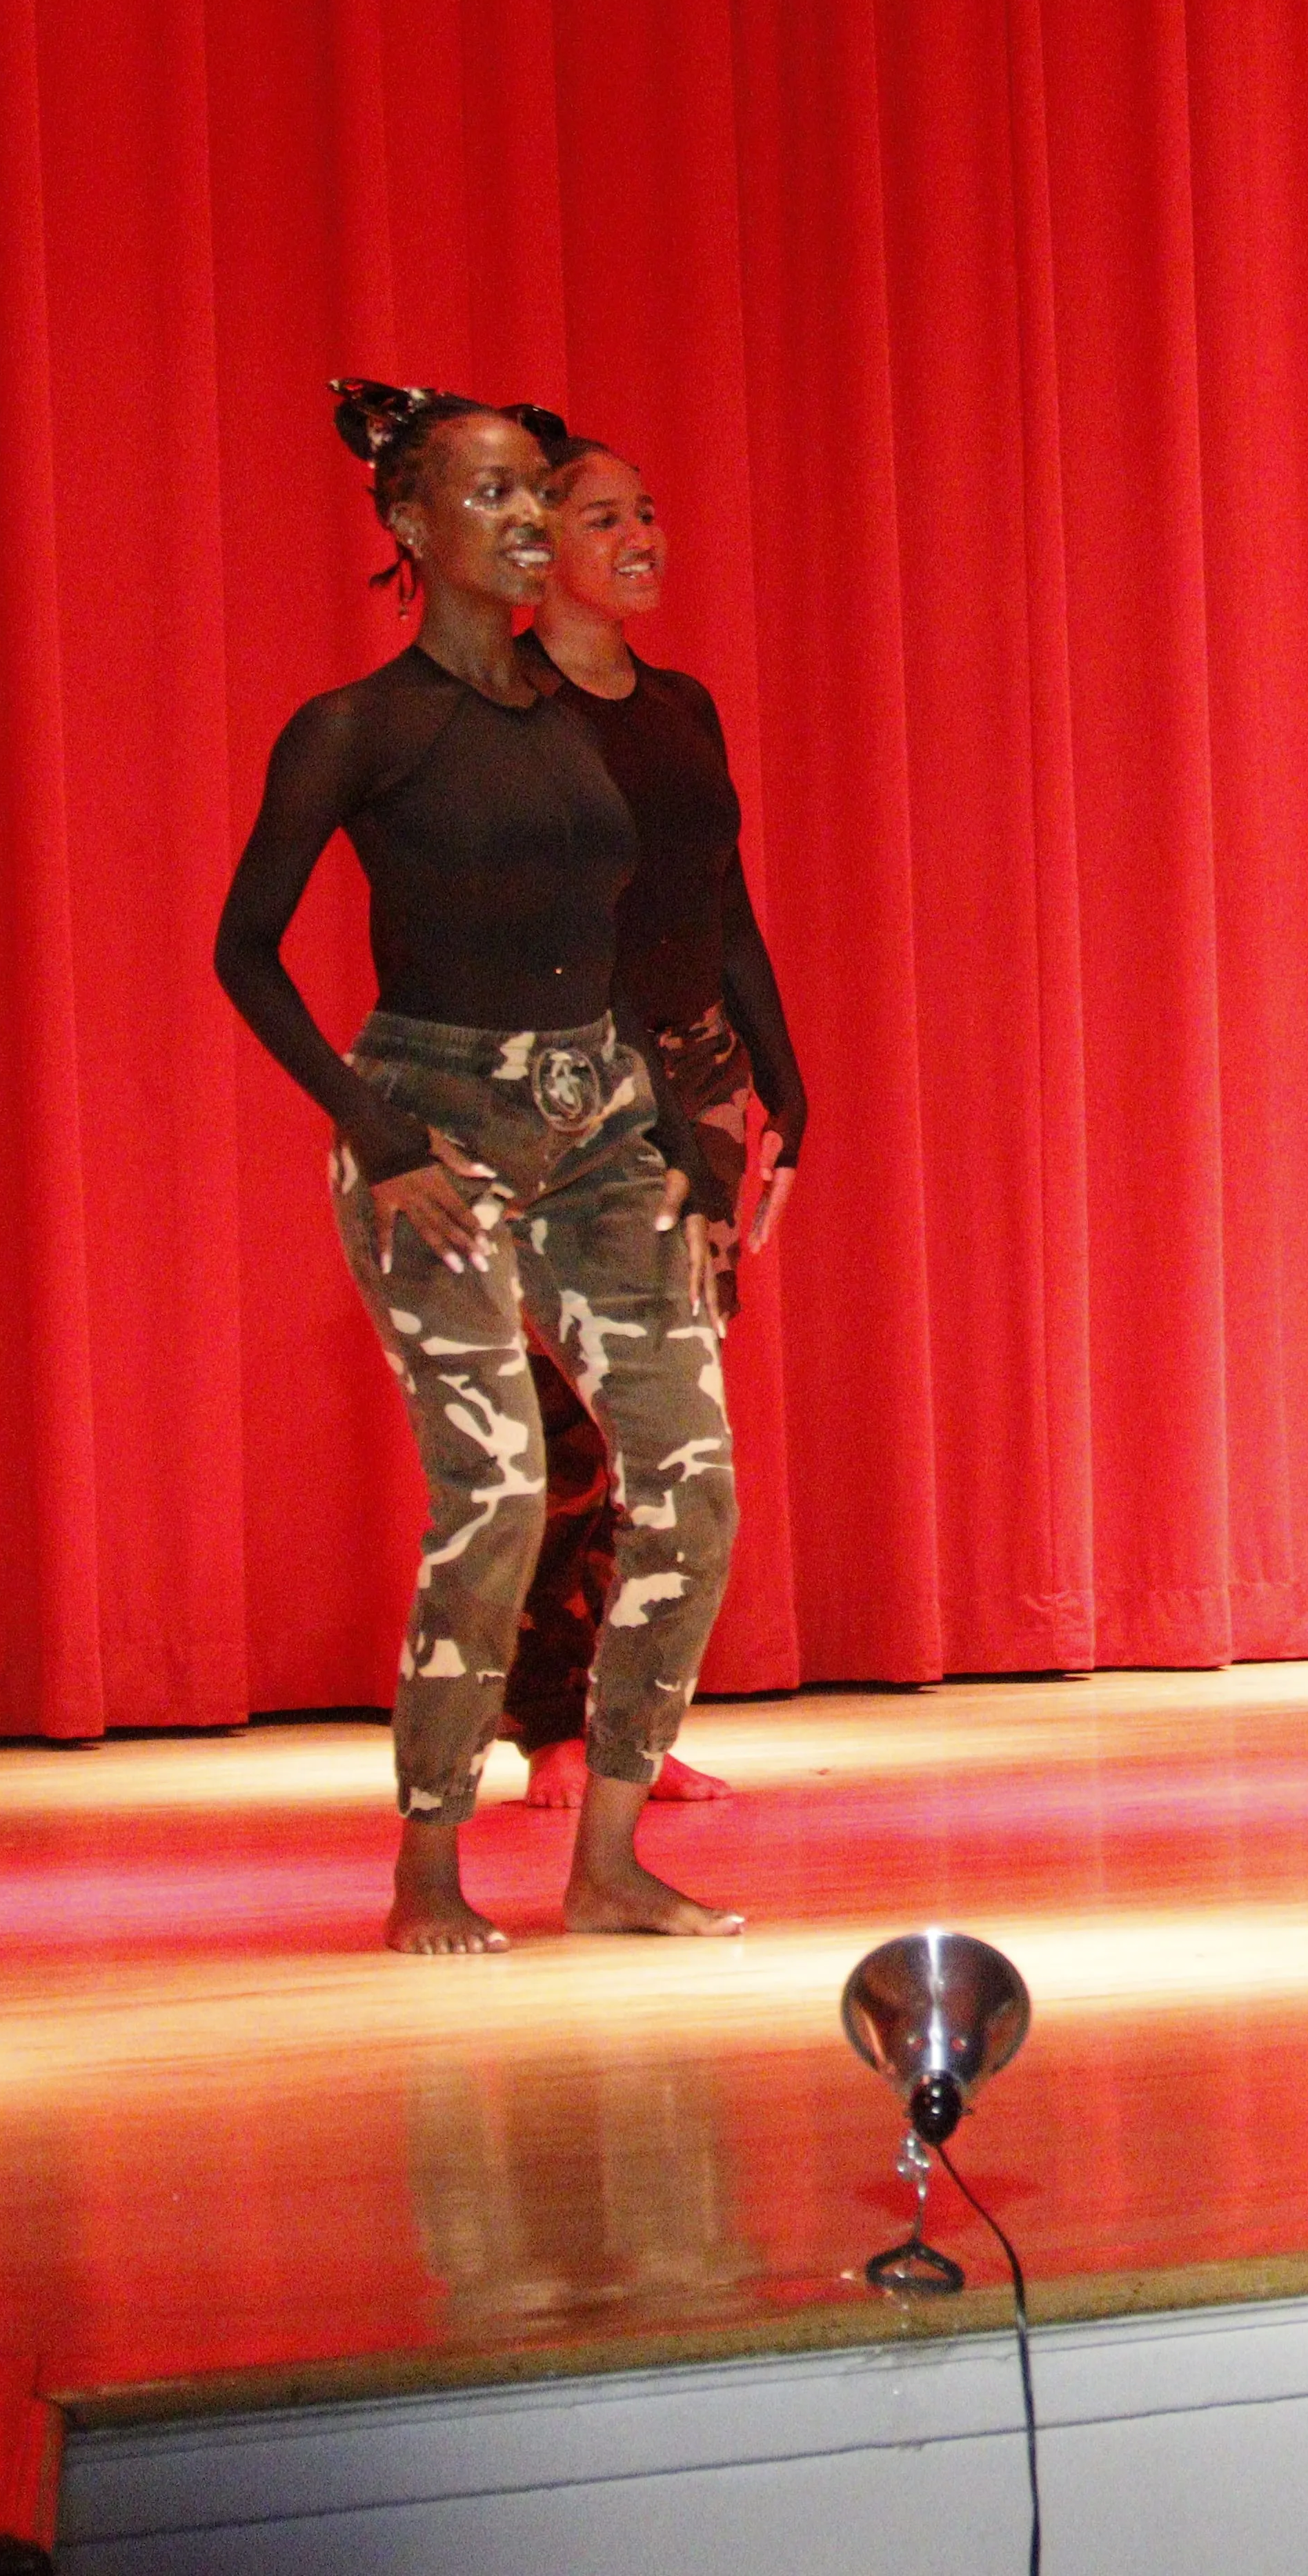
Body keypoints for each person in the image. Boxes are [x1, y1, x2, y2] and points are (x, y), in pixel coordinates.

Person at [212, 381, 740, 1952]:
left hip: (606, 1124)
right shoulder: (359, 728)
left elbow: (637, 930)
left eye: (537, 495)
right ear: (409, 524)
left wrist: (683, 1128)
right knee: (498, 1491)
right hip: (434, 1129)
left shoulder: (570, 715)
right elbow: (244, 952)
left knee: (693, 1485)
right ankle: (428, 1864)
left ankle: (611, 1859)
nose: (527, 520)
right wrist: (373, 1133)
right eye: (494, 495)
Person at [504, 435, 809, 1809]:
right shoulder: (507, 709)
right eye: (603, 517)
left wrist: (781, 1069)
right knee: (574, 1422)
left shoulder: (683, 704)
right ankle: (550, 1720)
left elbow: (720, 900)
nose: (640, 537)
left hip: (700, 1076)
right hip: (570, 1094)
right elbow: (557, 932)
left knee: (671, 1423)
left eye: (647, 511)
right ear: (538, 545)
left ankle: (633, 1719)